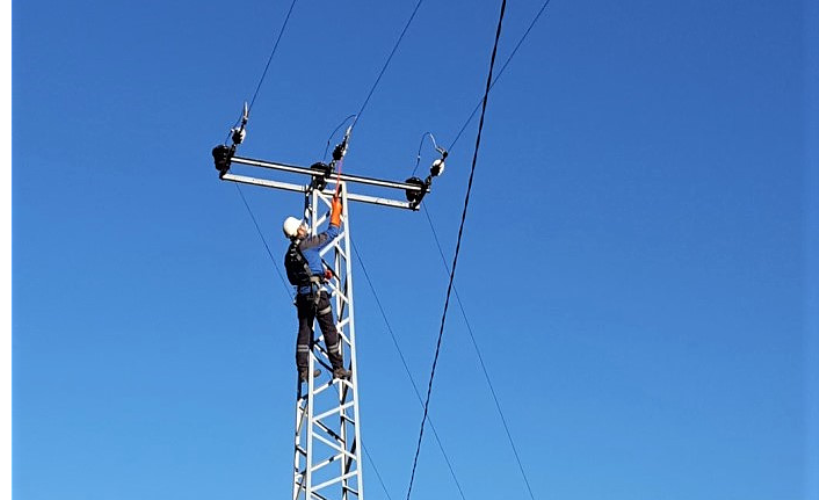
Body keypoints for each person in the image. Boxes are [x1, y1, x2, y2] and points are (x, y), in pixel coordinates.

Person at [282, 196, 352, 383]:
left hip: (303, 297)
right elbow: (332, 233)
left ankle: (303, 371)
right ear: (297, 231)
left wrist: (319, 273)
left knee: (304, 332)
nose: (305, 227)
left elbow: (292, 279)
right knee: (329, 330)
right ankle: (338, 368)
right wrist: (336, 211)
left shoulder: (289, 256)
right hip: (317, 295)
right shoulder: (308, 244)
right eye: (301, 226)